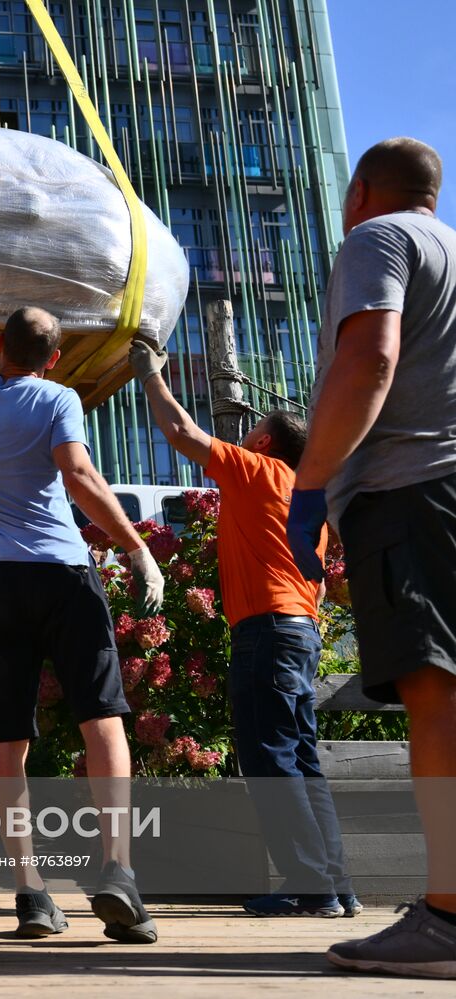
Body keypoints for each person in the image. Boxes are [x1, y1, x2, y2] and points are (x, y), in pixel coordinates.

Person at [0, 305, 166, 944]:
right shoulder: (58, 398)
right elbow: (78, 475)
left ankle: (31, 893)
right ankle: (118, 871)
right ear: (55, 358)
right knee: (101, 718)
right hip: (64, 575)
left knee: (6, 737)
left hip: (0, 584)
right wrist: (136, 549)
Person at [287, 137, 456, 979]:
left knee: (437, 698)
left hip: (410, 492)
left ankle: (448, 919)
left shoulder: (377, 238)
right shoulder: (451, 249)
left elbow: (370, 357)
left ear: (359, 191)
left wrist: (311, 483)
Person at [130, 342, 359, 918]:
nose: (242, 435)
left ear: (263, 443)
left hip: (268, 632)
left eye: (251, 429)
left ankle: (310, 885)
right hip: (300, 633)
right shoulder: (306, 500)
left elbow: (181, 432)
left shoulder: (257, 471)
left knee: (270, 759)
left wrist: (151, 375)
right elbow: (320, 586)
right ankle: (335, 886)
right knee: (300, 759)